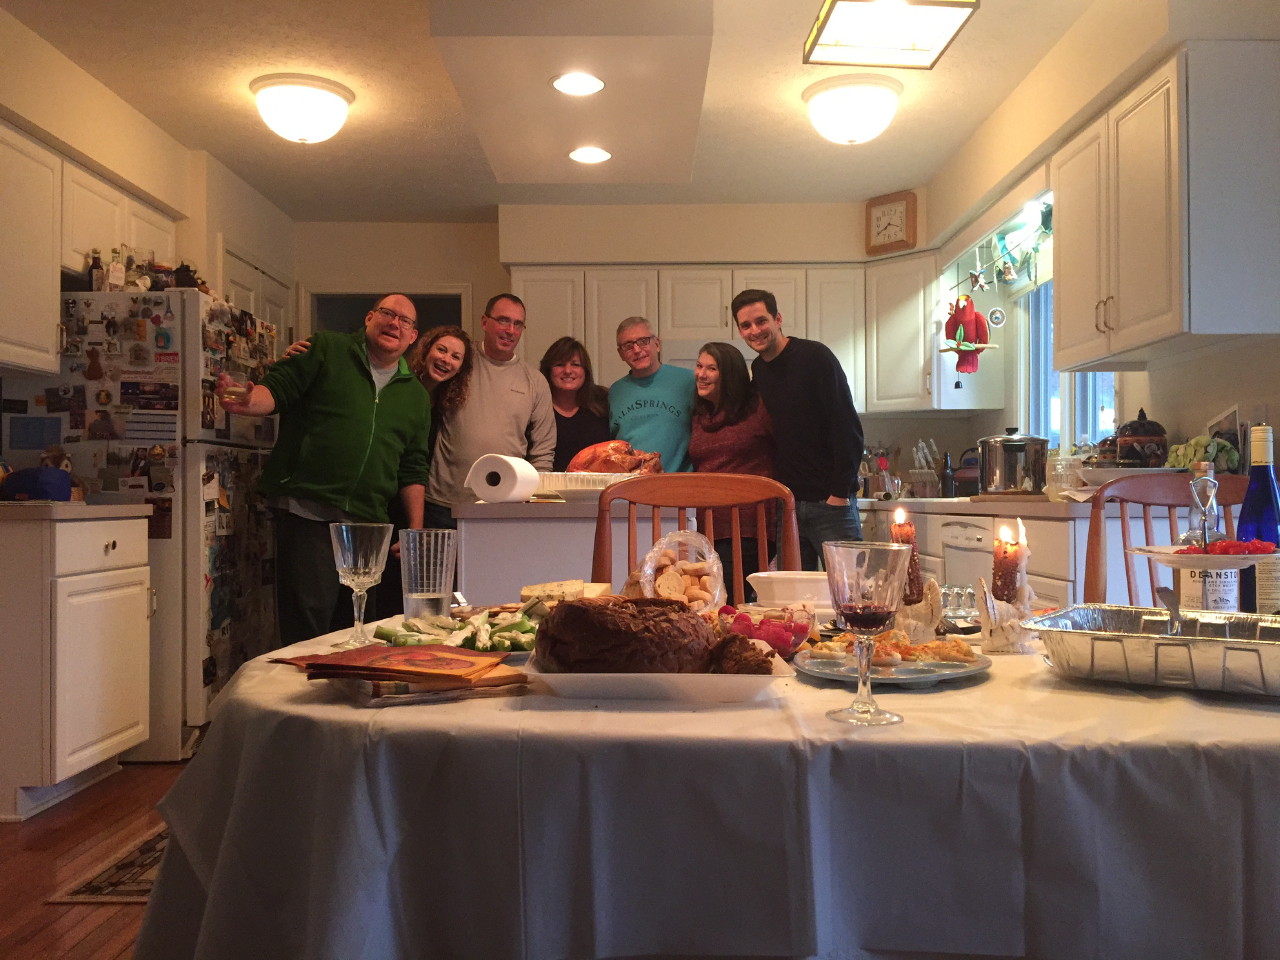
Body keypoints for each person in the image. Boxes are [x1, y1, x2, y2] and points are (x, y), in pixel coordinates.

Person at [216, 294, 432, 645]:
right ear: (369, 318)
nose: (394, 323)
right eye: (387, 314)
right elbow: (278, 389)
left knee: (359, 628)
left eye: (404, 321)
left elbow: (413, 465)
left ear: (412, 336)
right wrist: (249, 401)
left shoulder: (416, 396)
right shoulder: (326, 349)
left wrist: (415, 529)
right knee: (308, 626)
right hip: (307, 511)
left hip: (368, 523)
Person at [733, 288, 864, 570]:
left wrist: (840, 494)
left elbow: (847, 426)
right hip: (789, 504)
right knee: (794, 592)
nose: (755, 331)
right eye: (746, 325)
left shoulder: (815, 357)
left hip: (830, 503)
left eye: (761, 321)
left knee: (850, 588)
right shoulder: (759, 369)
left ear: (778, 319)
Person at [424, 293, 555, 527]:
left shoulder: (534, 381)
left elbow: (543, 451)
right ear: (485, 322)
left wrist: (533, 499)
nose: (510, 330)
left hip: (504, 505)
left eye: (518, 324)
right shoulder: (459, 361)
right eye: (503, 320)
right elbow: (425, 397)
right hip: (444, 503)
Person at [688, 341, 777, 599]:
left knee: (728, 599)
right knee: (710, 599)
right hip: (707, 527)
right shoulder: (700, 415)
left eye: (712, 368)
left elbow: (787, 451)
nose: (701, 374)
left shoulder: (758, 409)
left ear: (730, 375)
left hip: (748, 527)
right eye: (699, 366)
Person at [608, 317, 695, 472]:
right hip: (630, 483)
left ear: (657, 344)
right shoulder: (615, 392)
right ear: (621, 354)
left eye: (643, 341)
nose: (637, 350)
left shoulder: (689, 381)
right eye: (628, 346)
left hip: (678, 482)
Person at [539, 336, 610, 471]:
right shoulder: (536, 406)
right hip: (548, 483)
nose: (567, 371)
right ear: (548, 370)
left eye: (575, 364)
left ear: (585, 370)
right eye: (560, 364)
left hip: (599, 483)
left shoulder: (604, 400)